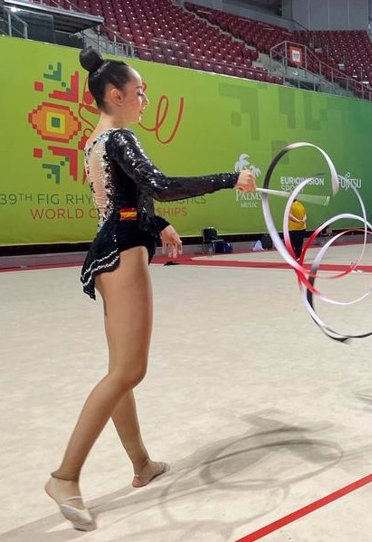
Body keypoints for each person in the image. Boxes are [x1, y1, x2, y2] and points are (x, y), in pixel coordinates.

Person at [45, 48, 256, 532]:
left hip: (110, 251)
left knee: (120, 370)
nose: (144, 99)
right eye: (139, 92)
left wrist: (157, 223)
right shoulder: (121, 137)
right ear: (115, 95)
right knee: (127, 371)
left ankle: (141, 464)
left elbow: (123, 199)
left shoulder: (93, 142)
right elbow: (157, 182)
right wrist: (230, 178)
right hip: (123, 257)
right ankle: (65, 475)